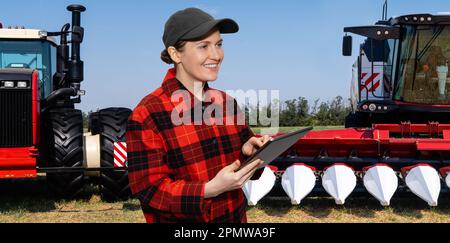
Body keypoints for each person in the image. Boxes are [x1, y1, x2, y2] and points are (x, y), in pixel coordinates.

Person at [126, 8, 271, 223]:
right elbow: (150, 190)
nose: (216, 55)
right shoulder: (148, 113)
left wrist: (249, 153)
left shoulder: (227, 103)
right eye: (203, 46)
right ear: (176, 54)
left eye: (219, 44)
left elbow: (244, 172)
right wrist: (208, 189)